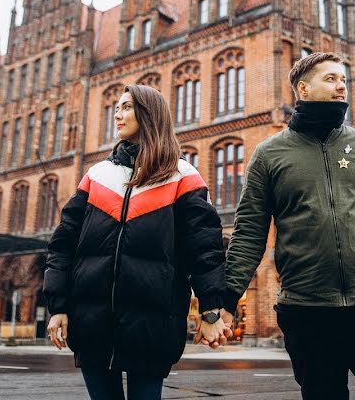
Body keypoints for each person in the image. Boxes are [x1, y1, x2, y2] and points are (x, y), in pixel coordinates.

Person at [221, 52, 355, 400]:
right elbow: (249, 232)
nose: (341, 85)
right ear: (303, 88)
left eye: (342, 79)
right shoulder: (269, 155)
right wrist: (226, 297)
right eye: (330, 78)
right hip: (308, 312)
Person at [44, 84, 229, 400]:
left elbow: (205, 249)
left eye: (127, 106)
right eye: (116, 107)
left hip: (152, 327)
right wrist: (58, 306)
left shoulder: (182, 176)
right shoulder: (97, 176)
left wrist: (211, 311)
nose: (117, 114)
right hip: (91, 324)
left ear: (149, 113)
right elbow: (63, 245)